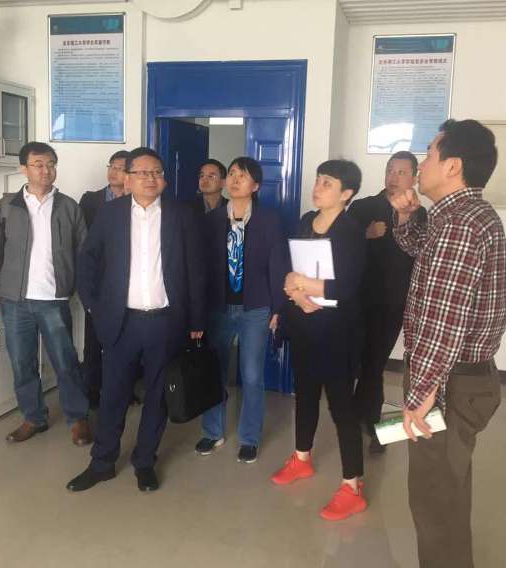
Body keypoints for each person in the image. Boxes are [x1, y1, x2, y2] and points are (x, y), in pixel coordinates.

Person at [390, 119, 506, 568]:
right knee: (447, 494)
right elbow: (423, 250)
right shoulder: (460, 216)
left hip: (450, 384)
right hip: (460, 378)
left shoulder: (460, 224)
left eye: (428, 155)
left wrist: (421, 392)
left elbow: (444, 320)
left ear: (453, 166)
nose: (419, 165)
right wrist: (409, 216)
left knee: (435, 503)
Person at [67, 147, 206, 493]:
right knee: (113, 395)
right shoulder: (111, 214)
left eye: (156, 172)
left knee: (158, 397)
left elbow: (196, 269)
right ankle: (102, 463)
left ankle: (145, 462)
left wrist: (196, 319)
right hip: (121, 322)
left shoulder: (181, 215)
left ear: (164, 179)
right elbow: (87, 260)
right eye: (142, 173)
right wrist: (94, 306)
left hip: (166, 322)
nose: (150, 178)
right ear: (127, 179)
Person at [271, 160, 367, 521]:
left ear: (346, 193)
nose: (318, 187)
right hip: (304, 322)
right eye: (318, 180)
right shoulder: (305, 221)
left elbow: (347, 286)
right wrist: (298, 298)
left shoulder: (351, 231)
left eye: (328, 182)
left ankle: (352, 486)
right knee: (306, 395)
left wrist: (305, 286)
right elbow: (290, 269)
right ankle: (301, 458)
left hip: (338, 331)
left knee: (342, 407)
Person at [0, 141, 92, 446]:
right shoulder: (6, 207)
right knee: (22, 363)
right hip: (15, 301)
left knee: (66, 362)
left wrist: (88, 294)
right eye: (39, 164)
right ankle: (33, 417)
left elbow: (84, 253)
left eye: (51, 164)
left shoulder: (69, 207)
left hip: (54, 299)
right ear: (23, 169)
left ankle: (78, 418)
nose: (46, 170)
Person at [195, 157, 288, 463]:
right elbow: (201, 269)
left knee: (251, 375)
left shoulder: (269, 220)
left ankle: (249, 438)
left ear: (255, 185)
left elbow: (278, 264)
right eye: (232, 174)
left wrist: (278, 307)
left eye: (243, 176)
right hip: (218, 308)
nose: (235, 180)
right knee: (214, 373)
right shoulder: (211, 221)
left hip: (255, 307)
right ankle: (213, 432)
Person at [348, 151, 427, 453]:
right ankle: (359, 415)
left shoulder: (420, 215)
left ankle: (368, 421)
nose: (393, 177)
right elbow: (340, 246)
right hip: (357, 298)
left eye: (401, 172)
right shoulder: (363, 207)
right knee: (357, 360)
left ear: (414, 178)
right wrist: (364, 235)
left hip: (393, 302)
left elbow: (422, 259)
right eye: (390, 170)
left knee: (375, 362)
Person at [77, 150, 129, 408]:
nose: (113, 172)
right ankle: (92, 393)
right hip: (98, 284)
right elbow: (82, 244)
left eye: (120, 167)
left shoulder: (136, 201)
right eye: (112, 166)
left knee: (125, 342)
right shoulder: (91, 200)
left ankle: (124, 391)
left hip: (127, 284)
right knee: (94, 342)